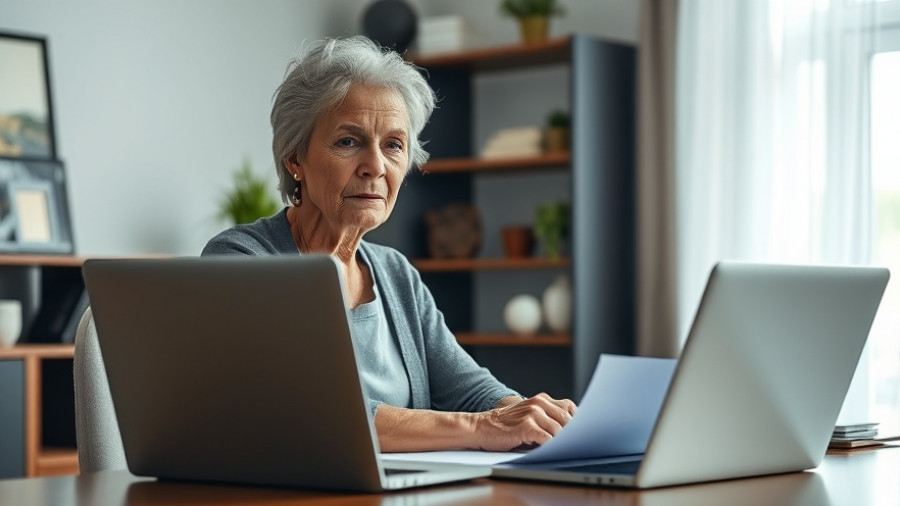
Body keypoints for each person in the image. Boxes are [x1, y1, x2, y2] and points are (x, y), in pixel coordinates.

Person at [202, 36, 576, 453]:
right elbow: (308, 413)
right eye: (349, 141)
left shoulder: (395, 273)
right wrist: (479, 427)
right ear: (295, 158)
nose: (376, 166)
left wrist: (532, 419)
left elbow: (470, 390)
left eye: (394, 145)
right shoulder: (241, 260)